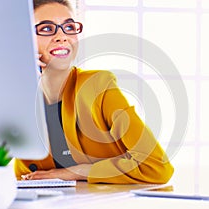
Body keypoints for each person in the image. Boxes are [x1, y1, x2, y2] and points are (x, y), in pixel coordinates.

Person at [14, 0, 174, 184]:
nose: (62, 37)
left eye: (69, 27)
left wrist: (76, 172)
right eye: (47, 29)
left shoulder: (98, 86)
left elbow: (157, 167)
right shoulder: (18, 99)